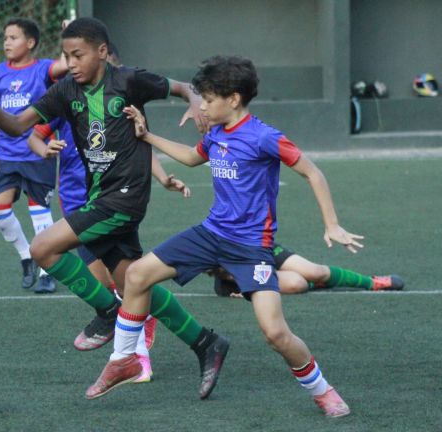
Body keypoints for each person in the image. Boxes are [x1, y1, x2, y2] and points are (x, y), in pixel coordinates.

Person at [87, 55, 363, 418]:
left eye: (209, 99)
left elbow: (313, 173)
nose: (202, 105)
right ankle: (124, 360)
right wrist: (147, 135)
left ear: (233, 99)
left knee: (275, 334)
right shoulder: (215, 133)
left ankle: (323, 391)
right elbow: (190, 157)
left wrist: (331, 224)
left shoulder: (265, 137)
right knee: (138, 275)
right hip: (211, 234)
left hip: (251, 249)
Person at [0, 17, 210, 382]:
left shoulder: (129, 81)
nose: (70, 63)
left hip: (123, 200)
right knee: (135, 281)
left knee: (42, 248)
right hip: (98, 195)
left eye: (78, 55)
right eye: (66, 56)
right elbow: (20, 126)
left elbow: (183, 87)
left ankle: (109, 313)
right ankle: (206, 342)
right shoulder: (66, 91)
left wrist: (195, 103)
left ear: (101, 52)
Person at [28, 116, 187, 382]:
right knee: (106, 288)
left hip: (111, 204)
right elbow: (34, 135)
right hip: (76, 206)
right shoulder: (63, 99)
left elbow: (140, 144)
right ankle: (144, 315)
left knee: (125, 287)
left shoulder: (114, 101)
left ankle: (139, 360)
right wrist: (43, 148)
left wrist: (161, 177)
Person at [0, 18, 68, 293]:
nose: (7, 42)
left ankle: (46, 271)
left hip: (37, 154)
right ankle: (26, 255)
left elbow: (67, 64)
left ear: (30, 43)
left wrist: (68, 32)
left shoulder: (43, 69)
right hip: (6, 155)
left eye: (13, 37)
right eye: (5, 37)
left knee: (39, 213)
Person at [211, 243, 405, 297]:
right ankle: (315, 284)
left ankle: (370, 282)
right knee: (298, 283)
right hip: (248, 272)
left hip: (261, 248)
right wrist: (244, 284)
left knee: (316, 271)